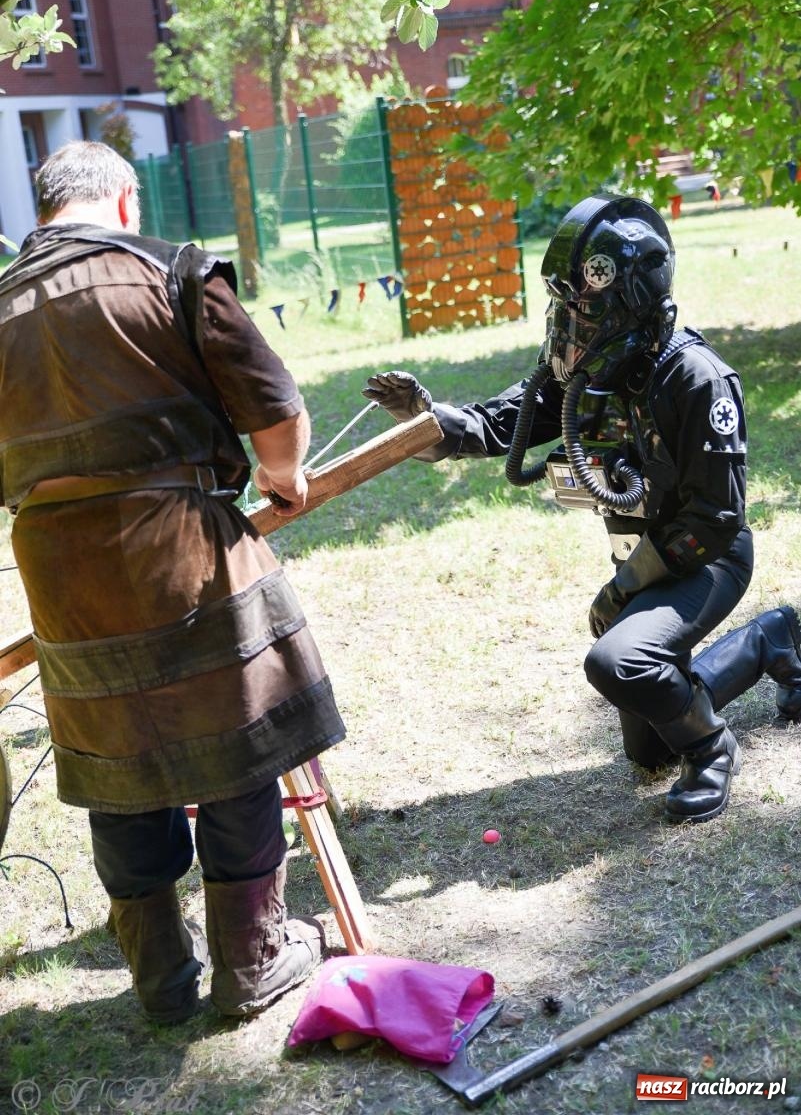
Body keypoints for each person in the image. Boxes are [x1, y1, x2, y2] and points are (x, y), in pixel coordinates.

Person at [0, 141, 346, 1024]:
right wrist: (284, 474)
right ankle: (253, 963)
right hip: (177, 545)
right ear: (123, 205)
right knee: (234, 743)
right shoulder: (170, 270)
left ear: (45, 212)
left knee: (118, 759)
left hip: (57, 567)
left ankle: (160, 981)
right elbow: (273, 409)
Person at [364, 193, 800, 825]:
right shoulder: (589, 370)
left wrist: (626, 588)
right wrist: (425, 423)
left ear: (631, 303)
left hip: (705, 559)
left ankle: (711, 748)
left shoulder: (697, 378)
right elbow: (501, 421)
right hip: (641, 560)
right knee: (646, 751)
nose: (570, 323)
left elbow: (714, 520)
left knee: (617, 661)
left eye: (584, 309)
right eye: (564, 306)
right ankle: (770, 640)